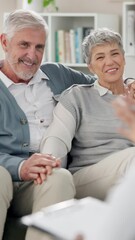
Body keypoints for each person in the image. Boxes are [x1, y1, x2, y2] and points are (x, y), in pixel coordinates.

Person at [0, 9, 97, 240]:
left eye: (39, 47)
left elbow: (101, 84)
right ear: (4, 41)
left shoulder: (57, 74)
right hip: (6, 176)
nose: (32, 56)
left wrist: (129, 82)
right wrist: (20, 167)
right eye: (24, 45)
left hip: (40, 182)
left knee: (59, 176)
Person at [40, 27, 135, 202]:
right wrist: (50, 171)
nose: (110, 62)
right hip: (87, 178)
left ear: (123, 57)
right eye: (100, 57)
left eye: (115, 53)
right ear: (90, 66)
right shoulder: (77, 96)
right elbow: (56, 139)